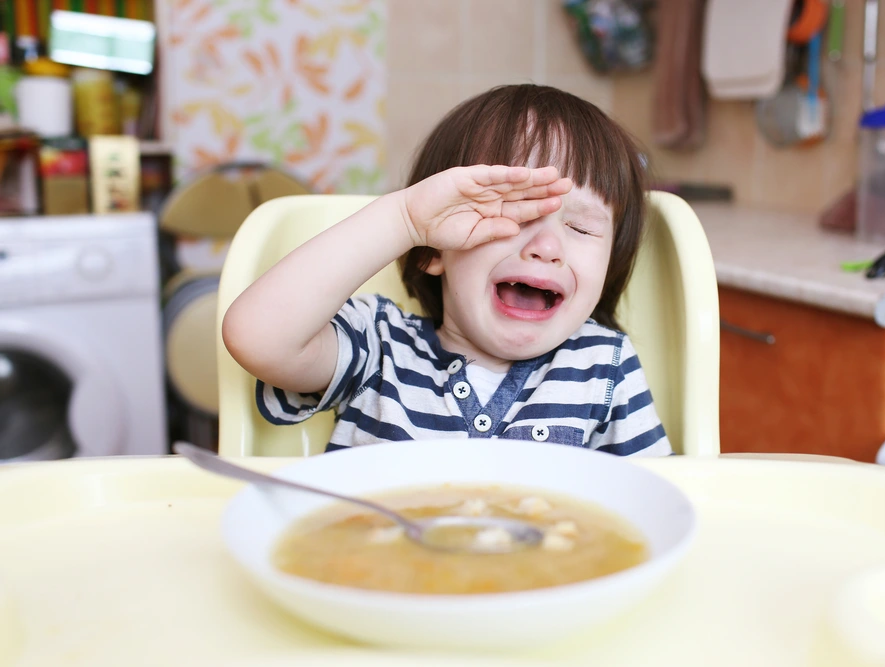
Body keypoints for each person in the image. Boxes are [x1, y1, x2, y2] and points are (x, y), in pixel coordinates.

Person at [222, 84, 672, 456]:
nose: (548, 247)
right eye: (513, 214)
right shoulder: (380, 347)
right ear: (432, 249)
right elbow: (258, 338)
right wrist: (406, 221)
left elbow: (656, 509)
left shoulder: (604, 367)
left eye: (579, 226)